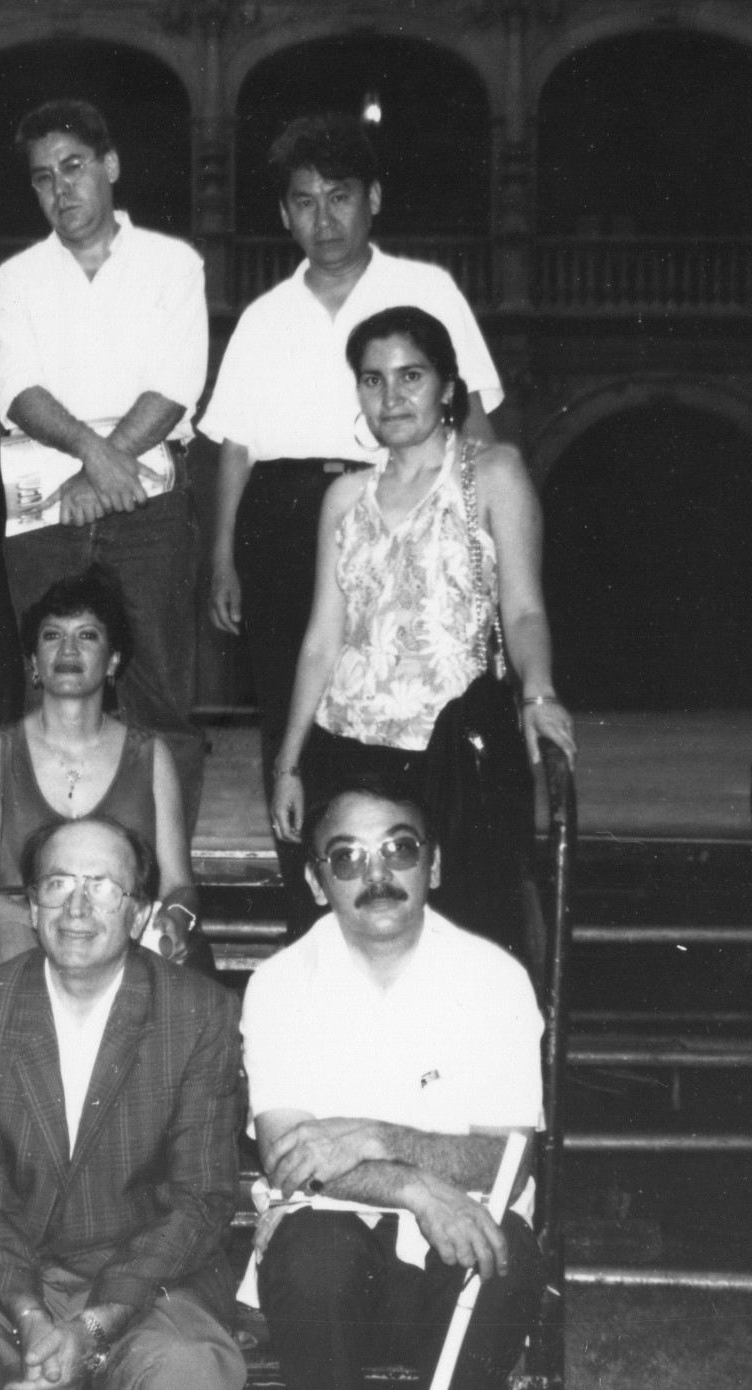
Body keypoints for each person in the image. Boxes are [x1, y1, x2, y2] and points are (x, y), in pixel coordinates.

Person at [197, 111, 505, 935]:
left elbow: (474, 422)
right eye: (303, 202)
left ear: (374, 198)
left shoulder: (428, 288)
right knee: (299, 705)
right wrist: (223, 555)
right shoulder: (265, 313)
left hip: (405, 499)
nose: (323, 219)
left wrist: (485, 533)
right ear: (283, 214)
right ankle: (313, 908)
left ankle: (440, 898)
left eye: (339, 197)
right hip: (285, 514)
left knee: (423, 695)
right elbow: (233, 445)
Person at [0, 816, 246, 1390]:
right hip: (7, 1277)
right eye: (58, 884)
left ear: (140, 912)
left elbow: (201, 1199)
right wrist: (29, 1314)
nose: (77, 907)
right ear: (32, 905)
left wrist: (94, 1325)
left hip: (154, 1281)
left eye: (102, 887)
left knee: (187, 1369)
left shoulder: (197, 1014)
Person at [269, 306, 574, 952]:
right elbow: (323, 639)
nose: (391, 395)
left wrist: (539, 693)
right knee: (351, 940)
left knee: (467, 937)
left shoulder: (492, 475)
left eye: (410, 376)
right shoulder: (345, 498)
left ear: (447, 387)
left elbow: (523, 609)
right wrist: (290, 761)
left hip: (454, 757)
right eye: (373, 380)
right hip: (345, 750)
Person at [242, 782, 545, 1390]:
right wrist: (416, 1187)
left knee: (496, 1259)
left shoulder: (494, 979)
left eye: (400, 850)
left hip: (460, 1241)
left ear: (434, 866)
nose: (376, 875)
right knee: (314, 1258)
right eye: (348, 857)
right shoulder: (278, 985)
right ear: (315, 880)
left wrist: (371, 1137)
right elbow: (288, 1157)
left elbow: (504, 1157)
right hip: (327, 1255)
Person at [0, 99, 210, 827]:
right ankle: (39, 877)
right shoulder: (17, 277)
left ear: (110, 167)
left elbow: (176, 385)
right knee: (41, 683)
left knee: (156, 692)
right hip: (46, 500)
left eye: (75, 168)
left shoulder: (174, 264)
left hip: (149, 501)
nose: (61, 190)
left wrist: (104, 470)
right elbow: (18, 391)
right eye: (44, 178)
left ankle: (159, 884)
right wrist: (93, 457)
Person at [0, 567, 205, 971]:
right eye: (52, 636)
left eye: (86, 635)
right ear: (34, 660)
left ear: (113, 659)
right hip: (23, 939)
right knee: (11, 948)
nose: (67, 650)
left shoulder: (152, 755)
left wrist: (175, 919)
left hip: (124, 938)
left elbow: (178, 886)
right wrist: (62, 929)